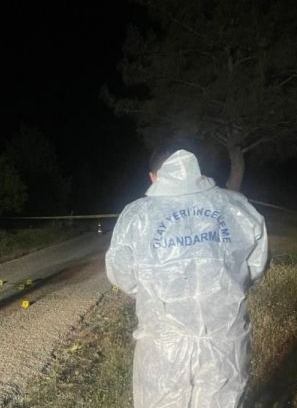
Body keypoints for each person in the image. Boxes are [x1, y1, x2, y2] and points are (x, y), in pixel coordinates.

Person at [105, 146, 268, 408]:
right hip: (224, 339)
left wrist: (153, 292)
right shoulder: (236, 205)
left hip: (163, 343)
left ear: (153, 177)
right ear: (197, 171)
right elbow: (256, 265)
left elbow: (121, 274)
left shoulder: (137, 215)